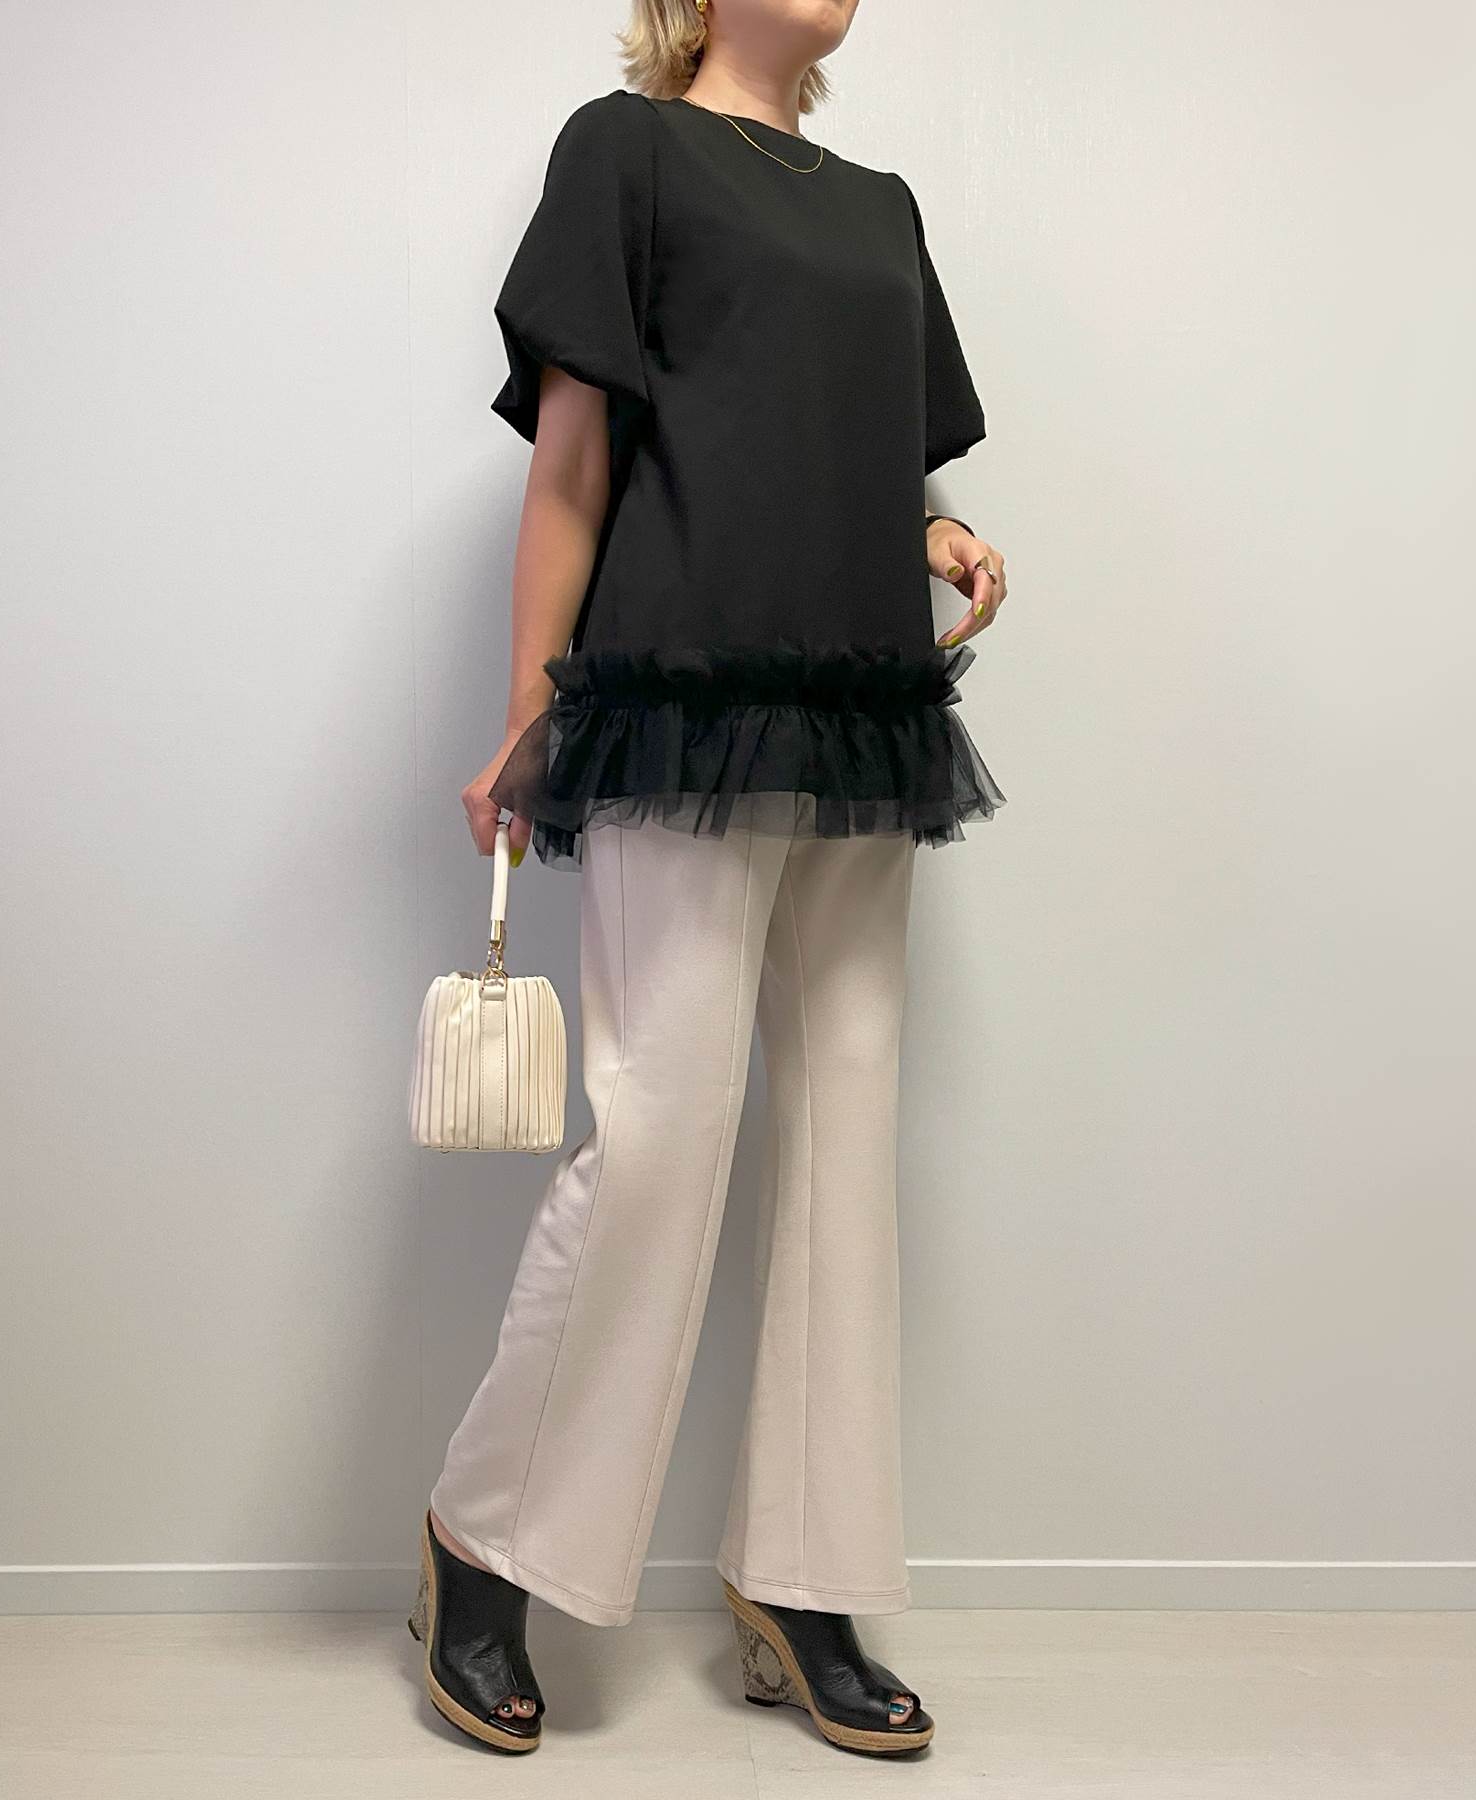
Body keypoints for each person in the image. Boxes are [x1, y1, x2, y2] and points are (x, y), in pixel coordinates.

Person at [410, 0, 1008, 1758]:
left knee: (844, 1141)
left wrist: (930, 529)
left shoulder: (880, 205)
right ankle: (483, 1546)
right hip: (679, 696)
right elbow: (575, 460)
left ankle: (804, 1578)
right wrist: (526, 712)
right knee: (663, 1132)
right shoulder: (632, 153)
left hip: (861, 714)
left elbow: (856, 449)